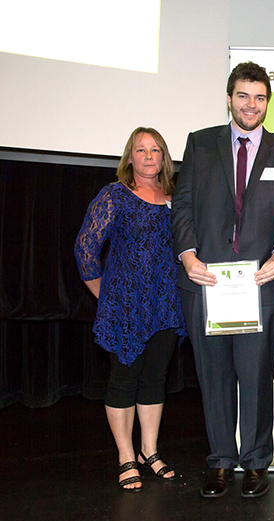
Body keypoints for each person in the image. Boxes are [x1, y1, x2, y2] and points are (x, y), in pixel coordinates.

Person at [171, 61, 274, 498]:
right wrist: (187, 256)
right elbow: (184, 205)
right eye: (244, 96)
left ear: (268, 103)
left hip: (261, 285)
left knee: (256, 374)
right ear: (229, 98)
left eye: (260, 97)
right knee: (213, 376)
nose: (251, 105)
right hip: (207, 282)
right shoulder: (199, 143)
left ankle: (255, 460)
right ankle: (221, 460)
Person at [75, 127, 186, 492]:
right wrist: (105, 297)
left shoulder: (175, 198)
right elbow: (85, 248)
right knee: (124, 382)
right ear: (130, 156)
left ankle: (149, 451)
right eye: (141, 150)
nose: (149, 156)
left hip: (167, 307)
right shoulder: (115, 195)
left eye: (156, 150)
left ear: (164, 157)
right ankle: (125, 455)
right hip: (125, 308)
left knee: (155, 379)